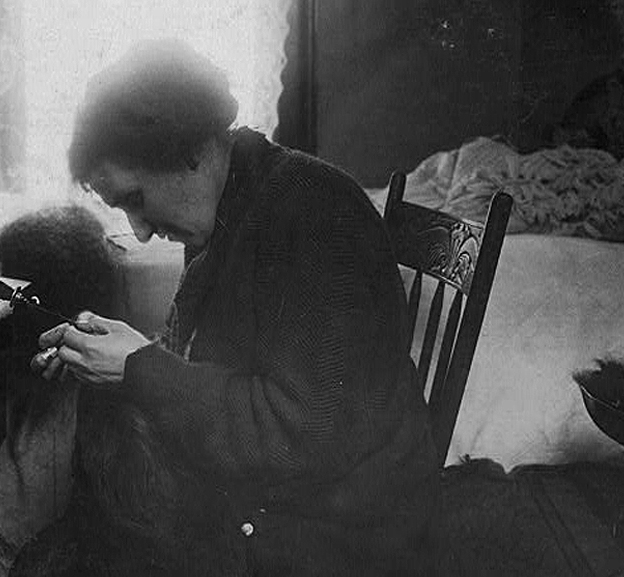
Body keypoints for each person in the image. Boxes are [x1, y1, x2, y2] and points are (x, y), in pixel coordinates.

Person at [30, 39, 437, 576]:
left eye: (135, 198)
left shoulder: (313, 211)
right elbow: (206, 362)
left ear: (186, 150)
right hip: (283, 505)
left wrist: (139, 367)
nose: (141, 231)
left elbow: (297, 439)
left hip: (339, 538)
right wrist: (112, 356)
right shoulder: (236, 200)